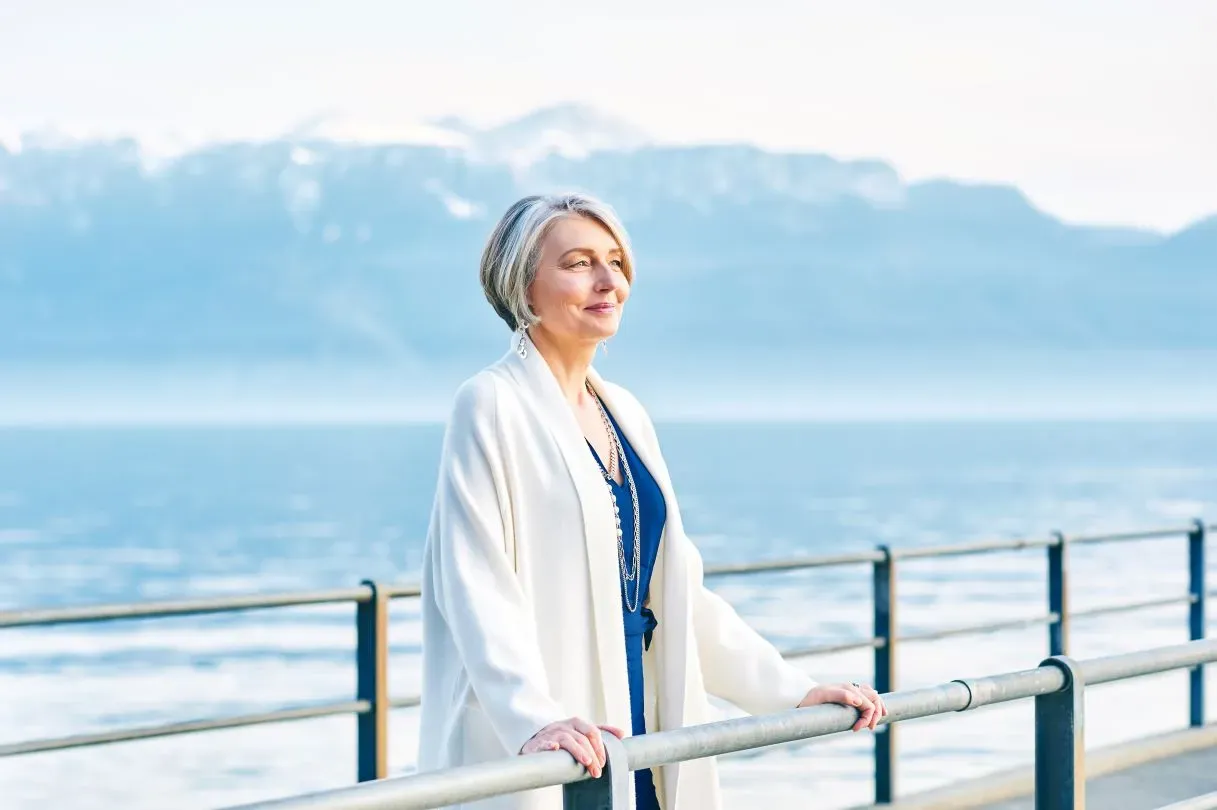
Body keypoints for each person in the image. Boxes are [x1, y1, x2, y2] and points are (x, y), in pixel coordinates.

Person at [417, 192, 888, 810]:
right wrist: (534, 719)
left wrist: (791, 692)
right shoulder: (490, 404)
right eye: (579, 263)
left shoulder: (626, 413)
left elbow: (676, 593)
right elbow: (476, 586)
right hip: (555, 735)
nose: (608, 281)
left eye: (616, 262)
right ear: (523, 286)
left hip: (640, 720)